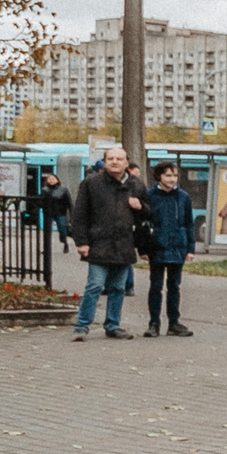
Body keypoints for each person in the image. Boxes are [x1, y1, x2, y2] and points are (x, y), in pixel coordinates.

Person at [67, 146, 147, 342]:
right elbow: (79, 215)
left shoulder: (137, 184)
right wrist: (82, 241)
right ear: (104, 161)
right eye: (110, 158)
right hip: (99, 244)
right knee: (94, 285)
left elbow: (148, 215)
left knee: (118, 288)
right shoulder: (91, 183)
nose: (114, 162)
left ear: (126, 163)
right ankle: (82, 326)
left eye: (119, 159)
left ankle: (112, 325)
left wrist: (141, 207)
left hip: (124, 244)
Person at [142, 162, 197, 338]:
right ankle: (154, 323)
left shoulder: (183, 197)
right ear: (159, 176)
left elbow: (189, 223)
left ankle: (174, 322)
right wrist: (143, 248)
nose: (172, 179)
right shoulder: (149, 196)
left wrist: (190, 248)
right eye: (168, 175)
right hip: (156, 247)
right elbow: (143, 223)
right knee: (155, 286)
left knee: (174, 286)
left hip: (177, 247)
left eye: (174, 176)